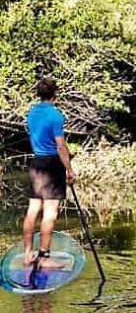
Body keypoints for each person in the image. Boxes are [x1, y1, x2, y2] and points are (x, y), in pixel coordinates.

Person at [22, 77, 75, 267]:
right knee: (50, 213)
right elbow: (60, 146)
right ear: (55, 94)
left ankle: (28, 254)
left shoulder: (32, 113)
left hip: (36, 162)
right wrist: (69, 169)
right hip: (52, 164)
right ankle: (44, 257)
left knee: (33, 210)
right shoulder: (56, 116)